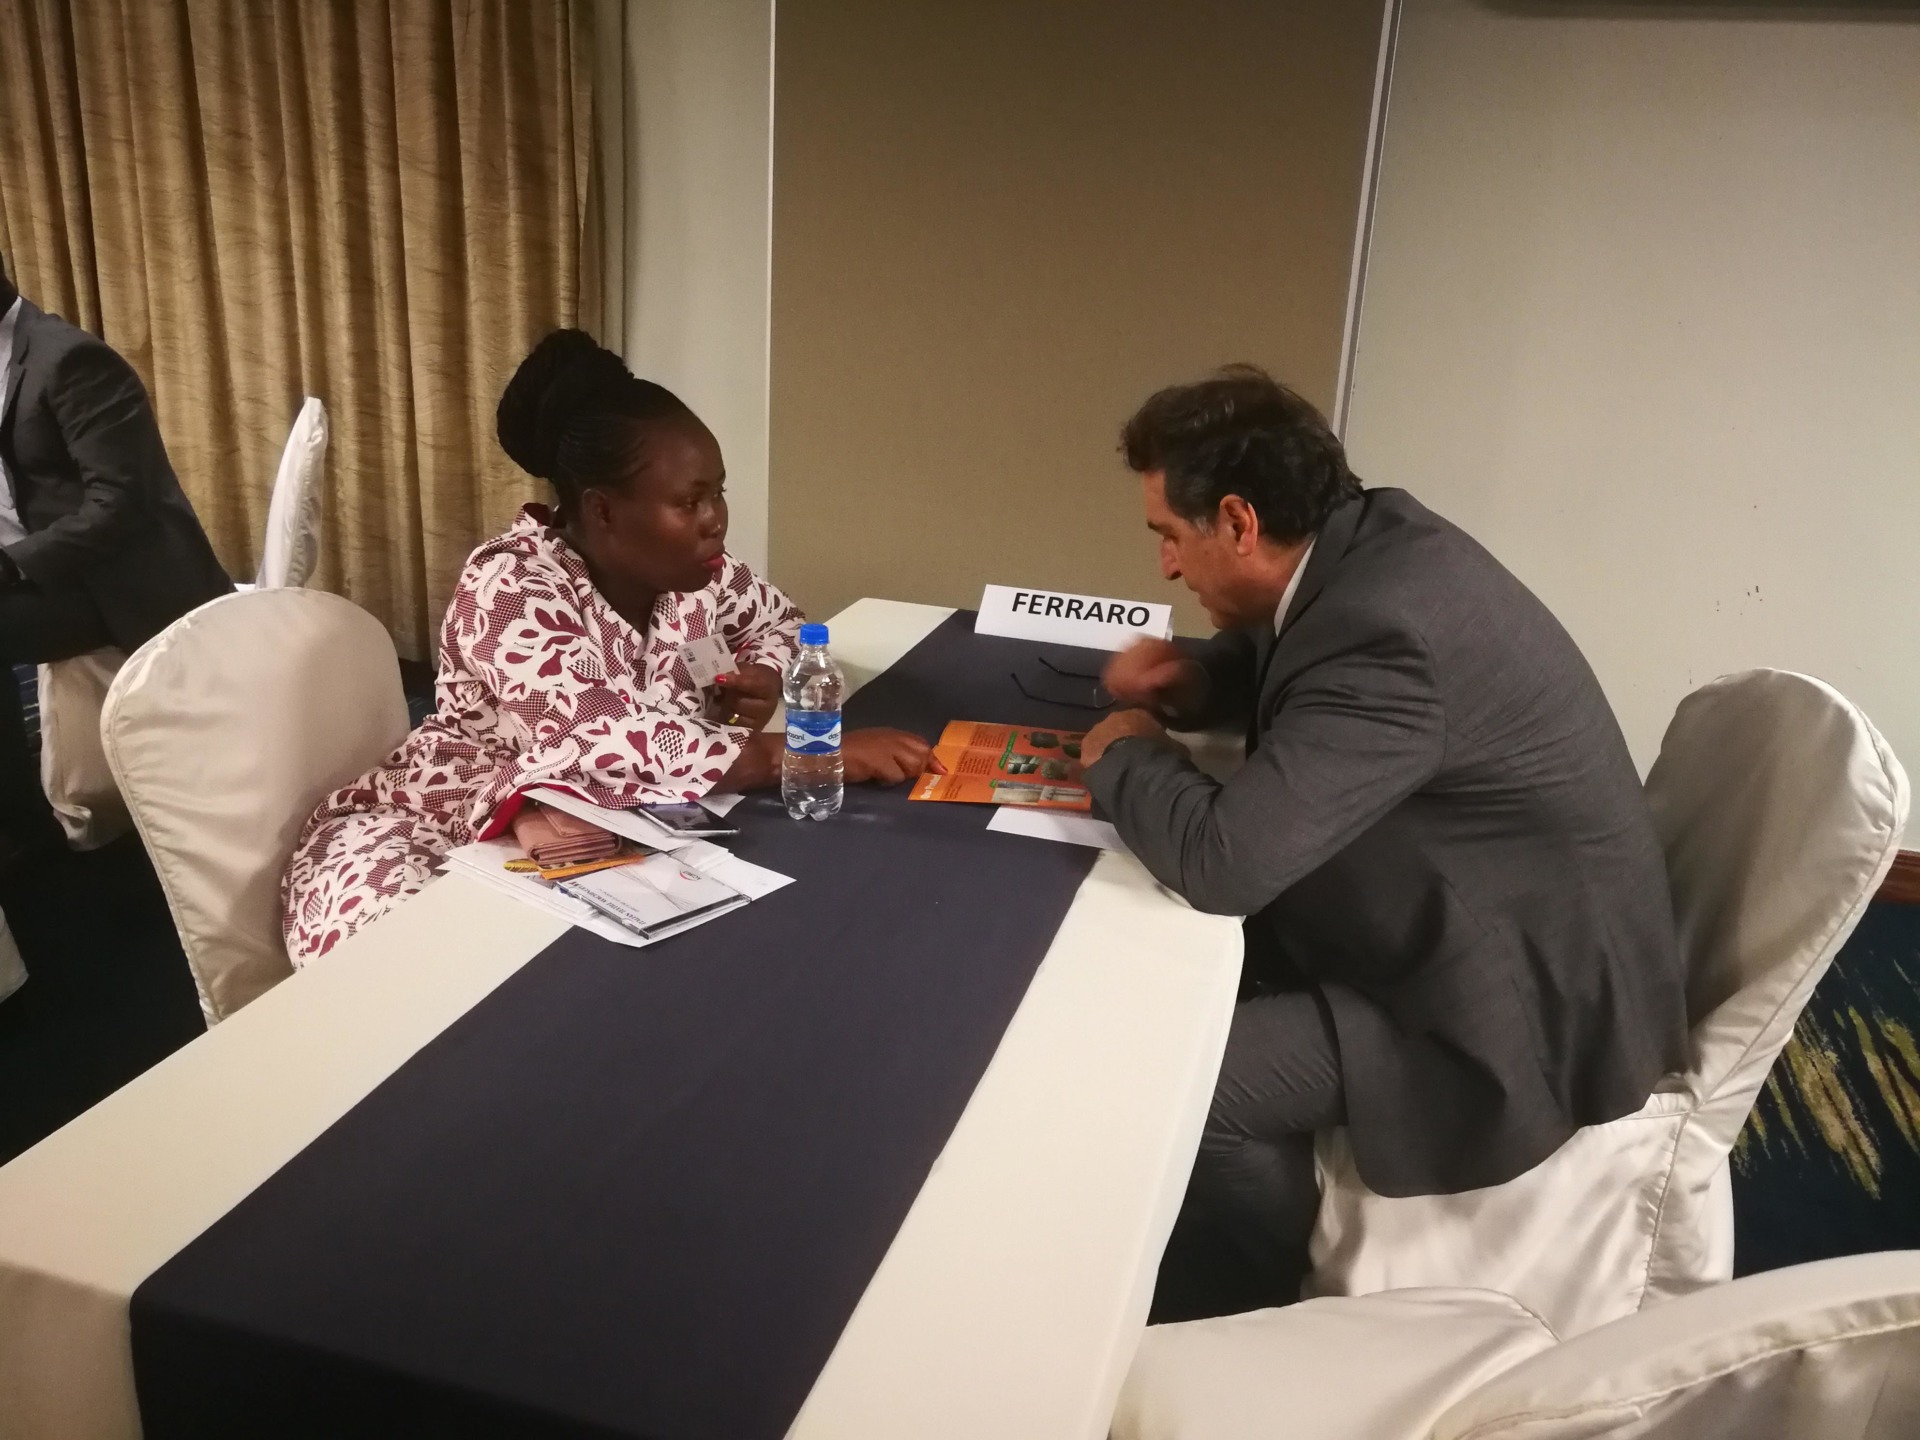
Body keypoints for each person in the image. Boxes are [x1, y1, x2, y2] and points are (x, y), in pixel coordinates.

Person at [1080, 366, 1687, 1321]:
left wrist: (1125, 755)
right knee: (1155, 986)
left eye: (1169, 535)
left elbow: (1223, 865)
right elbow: (1294, 654)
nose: (1165, 568)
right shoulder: (1370, 543)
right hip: (1485, 921)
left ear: (1238, 522)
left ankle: (1244, 1304)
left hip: (1505, 1013)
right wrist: (1196, 683)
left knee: (1189, 1085)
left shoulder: (1388, 631)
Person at [282, 330, 930, 961]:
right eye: (689, 501)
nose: (715, 520)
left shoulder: (699, 576)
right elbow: (612, 737)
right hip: (437, 823)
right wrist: (813, 754)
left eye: (718, 492)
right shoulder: (510, 586)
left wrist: (763, 670)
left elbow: (782, 622)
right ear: (603, 511)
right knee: (410, 971)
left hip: (587, 836)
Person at [0, 251, 232, 857]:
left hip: (114, 583)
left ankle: (22, 831)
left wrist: (12, 564)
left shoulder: (68, 360)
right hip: (40, 567)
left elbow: (122, 503)